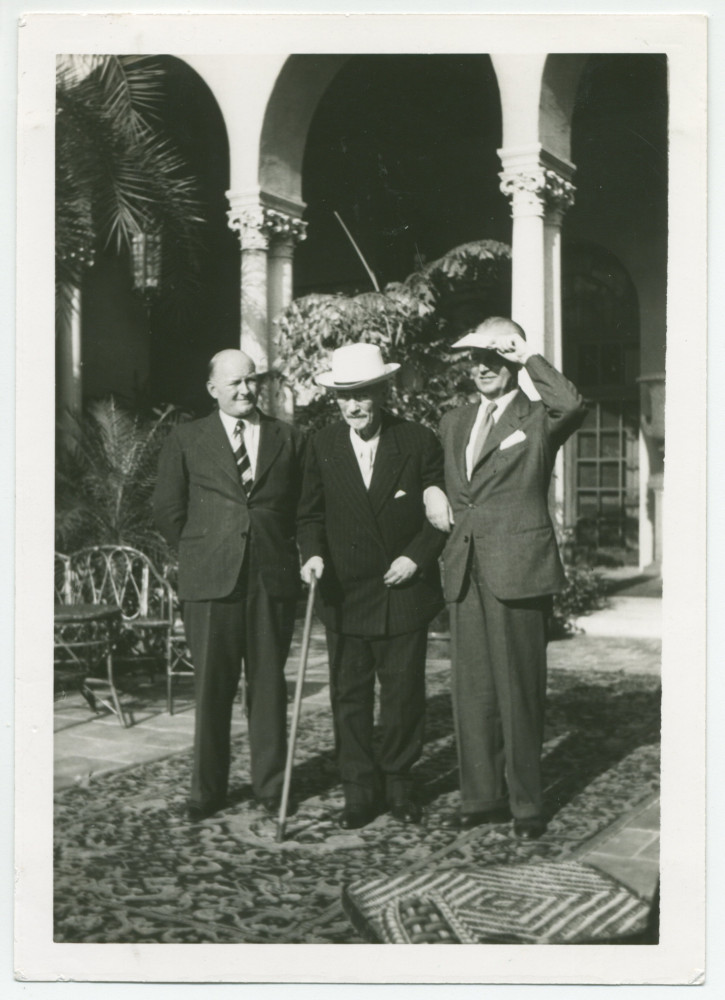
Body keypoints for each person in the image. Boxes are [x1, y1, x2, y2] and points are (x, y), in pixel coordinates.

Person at [430, 317, 586, 839]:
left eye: (492, 357)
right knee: (473, 692)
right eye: (473, 358)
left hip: (517, 570)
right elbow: (448, 479)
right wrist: (434, 492)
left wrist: (528, 358)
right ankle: (482, 797)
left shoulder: (539, 417)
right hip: (465, 568)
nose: (481, 367)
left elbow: (572, 403)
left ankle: (525, 805)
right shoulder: (454, 421)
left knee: (519, 691)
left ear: (510, 358)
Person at [298, 343, 447, 830]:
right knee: (350, 696)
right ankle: (359, 789)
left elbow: (439, 515)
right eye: (344, 396)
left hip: (402, 591)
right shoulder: (321, 446)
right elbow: (310, 514)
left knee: (403, 695)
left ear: (382, 392)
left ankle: (400, 783)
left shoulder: (418, 441)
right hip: (344, 592)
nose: (353, 405)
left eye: (363, 394)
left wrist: (414, 558)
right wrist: (313, 554)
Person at [153, 349, 305, 822]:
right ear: (212, 388)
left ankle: (270, 787)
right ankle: (207, 791)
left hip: (270, 578)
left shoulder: (290, 438)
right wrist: (204, 548)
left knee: (268, 687)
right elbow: (167, 508)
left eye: (251, 381)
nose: (245, 391)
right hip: (210, 581)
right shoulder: (186, 438)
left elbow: (304, 506)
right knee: (213, 689)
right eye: (234, 383)